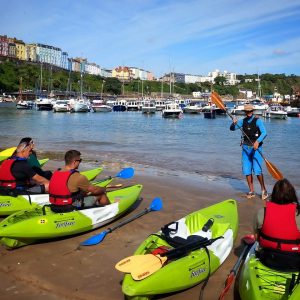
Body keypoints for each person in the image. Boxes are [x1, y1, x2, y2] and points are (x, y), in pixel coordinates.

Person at [230, 104, 268, 200]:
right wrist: (233, 123)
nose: (248, 113)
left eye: (250, 111)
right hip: (246, 148)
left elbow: (264, 133)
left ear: (253, 111)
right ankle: (251, 191)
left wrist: (257, 142)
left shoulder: (258, 120)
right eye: (247, 111)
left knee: (257, 170)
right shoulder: (243, 121)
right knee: (247, 170)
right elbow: (232, 129)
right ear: (245, 112)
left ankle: (264, 190)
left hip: (256, 148)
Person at [254, 178, 300, 252]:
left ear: (274, 194)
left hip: (267, 255)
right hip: (294, 258)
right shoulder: (298, 214)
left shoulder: (262, 212)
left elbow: (256, 237)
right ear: (292, 195)